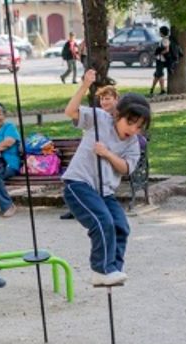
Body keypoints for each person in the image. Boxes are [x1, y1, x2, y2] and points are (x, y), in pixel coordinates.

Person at [63, 69, 151, 286]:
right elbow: (70, 111)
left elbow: (126, 169)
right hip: (79, 183)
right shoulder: (99, 119)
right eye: (130, 123)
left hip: (105, 192)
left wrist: (108, 153)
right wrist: (85, 85)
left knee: (121, 226)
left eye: (139, 126)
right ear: (118, 115)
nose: (134, 129)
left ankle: (113, 270)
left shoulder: (133, 144)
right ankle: (101, 270)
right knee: (103, 221)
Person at [61, 85, 120, 220]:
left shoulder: (120, 120)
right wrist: (86, 84)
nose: (104, 102)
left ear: (116, 99)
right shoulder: (97, 116)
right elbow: (71, 111)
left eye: (107, 98)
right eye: (102, 99)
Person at [150, 26, 173, 97]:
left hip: (161, 59)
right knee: (157, 74)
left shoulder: (165, 40)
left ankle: (162, 90)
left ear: (162, 32)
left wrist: (159, 52)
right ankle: (152, 89)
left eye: (160, 31)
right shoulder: (164, 39)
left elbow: (167, 50)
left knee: (160, 74)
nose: (159, 33)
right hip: (159, 59)